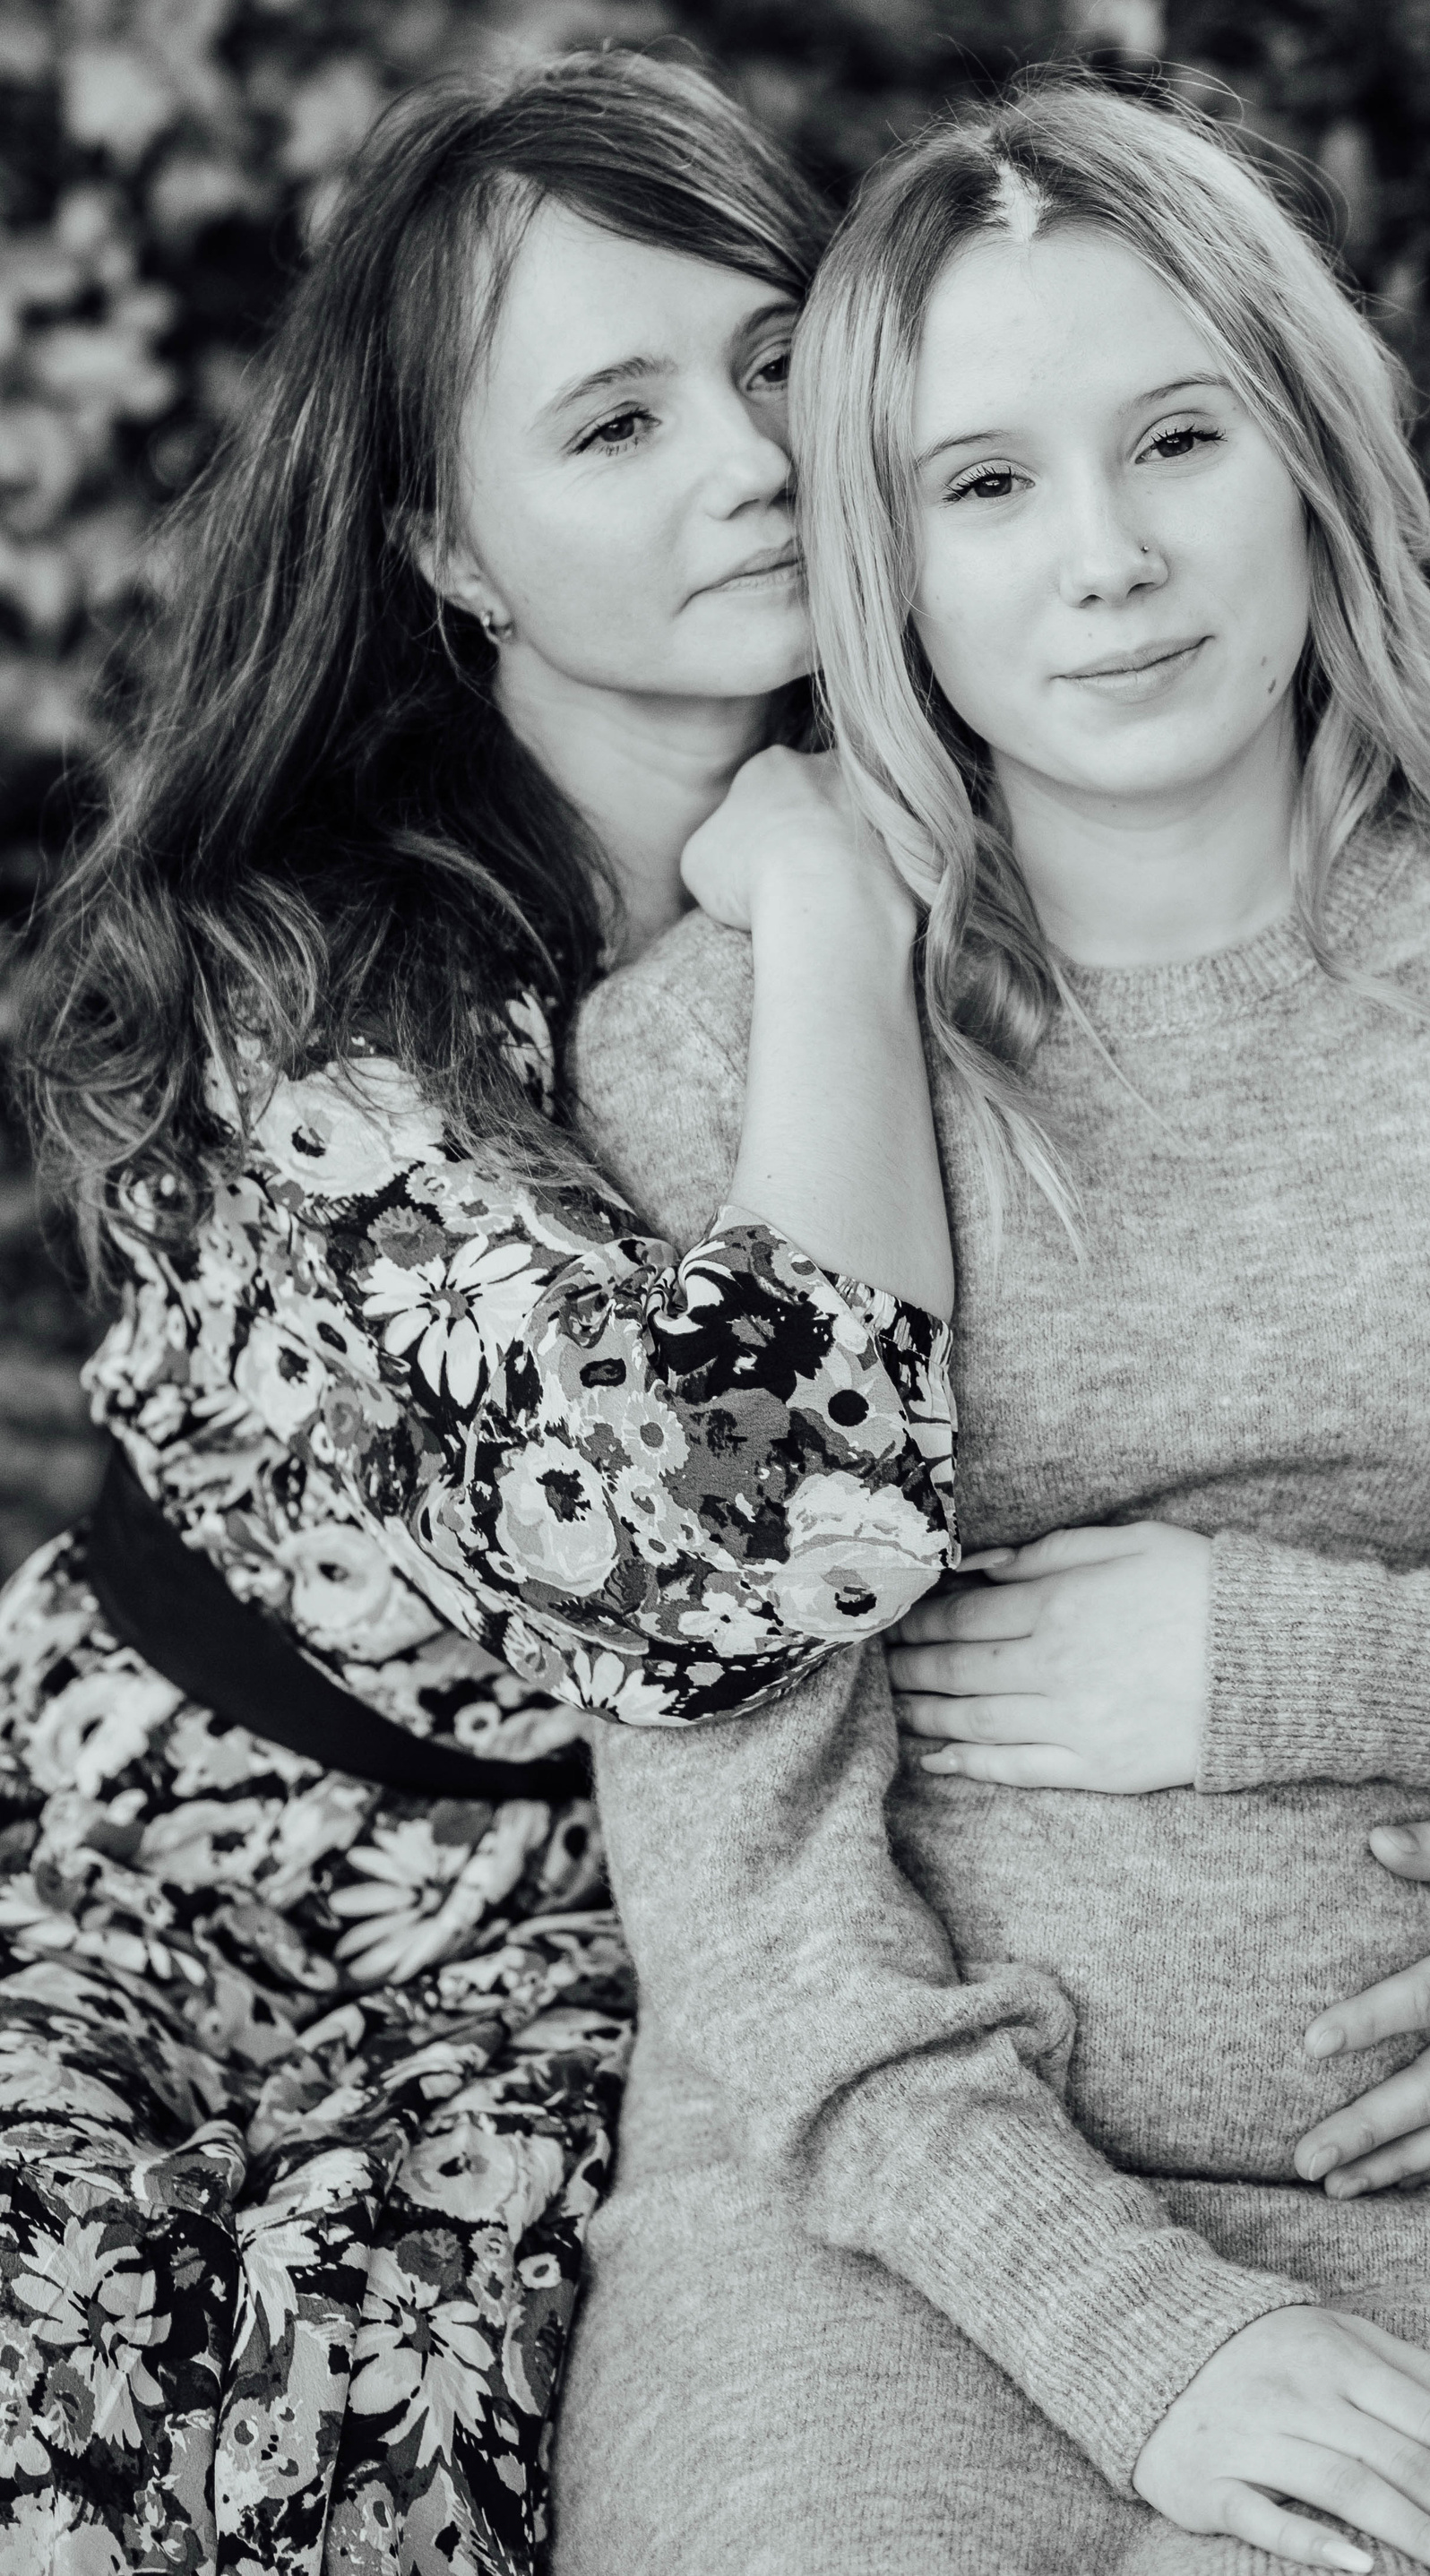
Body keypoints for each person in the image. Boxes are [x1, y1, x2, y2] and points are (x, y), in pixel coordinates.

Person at [557, 75, 1430, 2576]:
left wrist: (1288, 1665)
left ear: (1307, 449)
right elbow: (736, 1861)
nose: (1108, 561)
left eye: (1178, 438)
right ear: (881, 559)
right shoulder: (715, 1054)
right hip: (877, 2235)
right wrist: (1128, 2327)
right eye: (985, 484)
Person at [0, 51, 959, 2576]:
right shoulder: (320, 981)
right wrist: (826, 928)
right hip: (154, 1881)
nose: (749, 463)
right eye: (615, 423)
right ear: (454, 545)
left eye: (775, 364)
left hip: (595, 1953)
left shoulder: (1010, 819)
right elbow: (735, 1538)